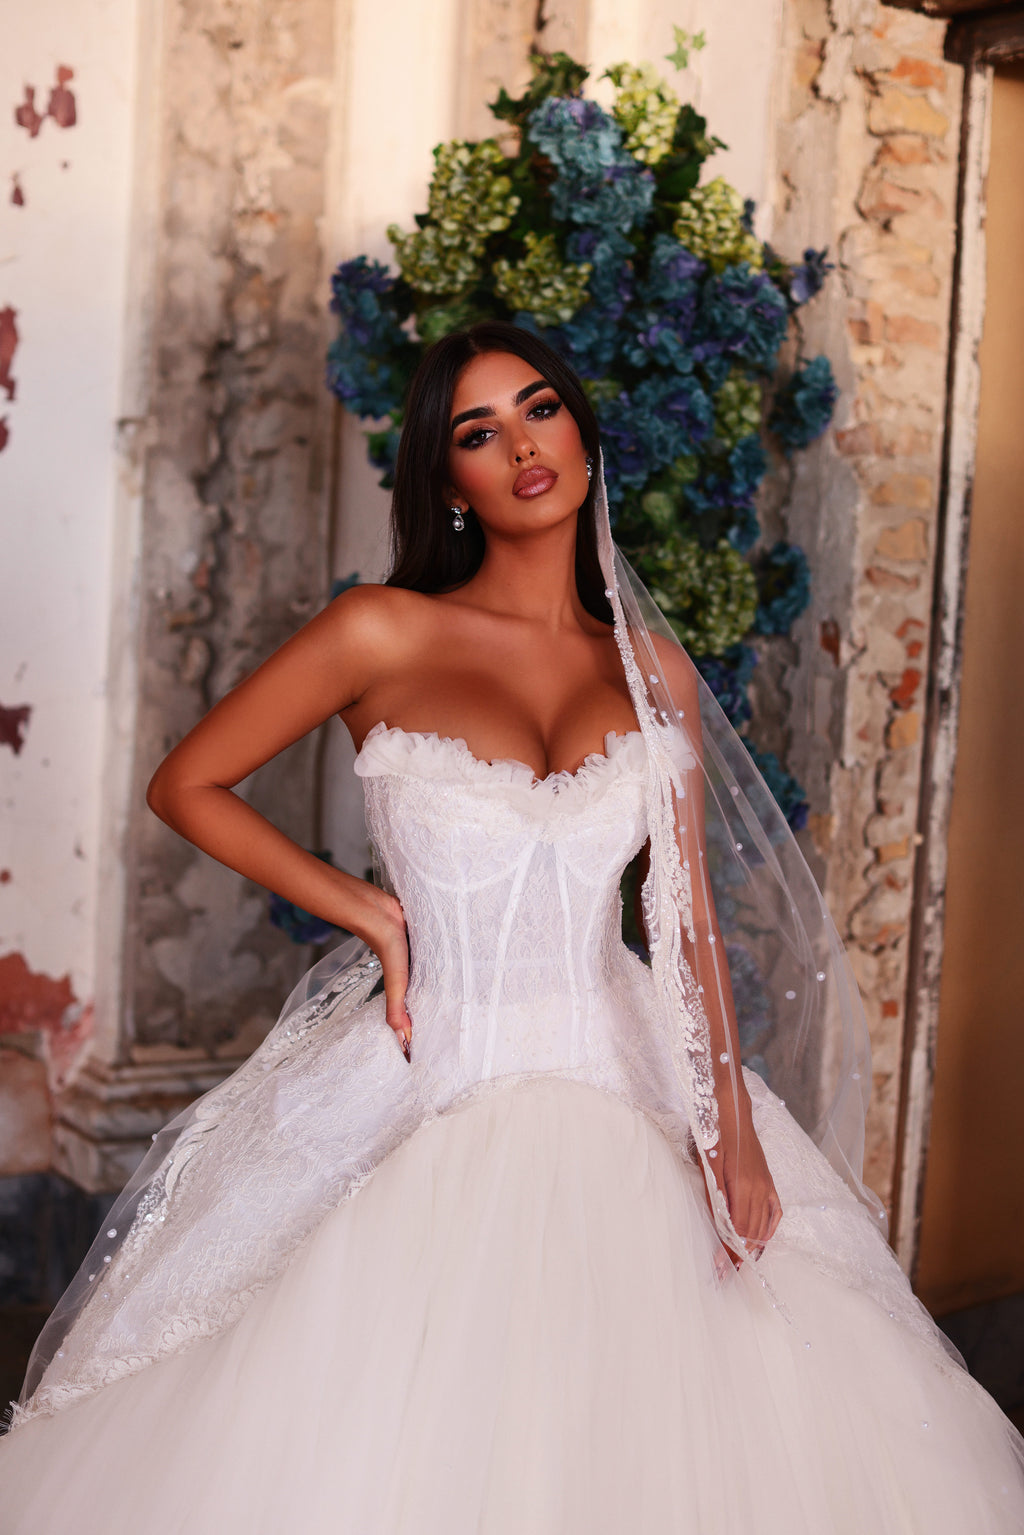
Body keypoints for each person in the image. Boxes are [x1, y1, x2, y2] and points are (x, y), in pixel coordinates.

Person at [1, 321, 1022, 1532]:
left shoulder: (651, 667)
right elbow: (187, 783)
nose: (522, 445)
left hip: (618, 1057)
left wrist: (729, 1128)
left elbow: (683, 907)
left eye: (540, 408)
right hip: (435, 1063)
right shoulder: (378, 629)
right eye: (478, 432)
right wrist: (371, 912)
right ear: (447, 480)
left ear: (584, 434)